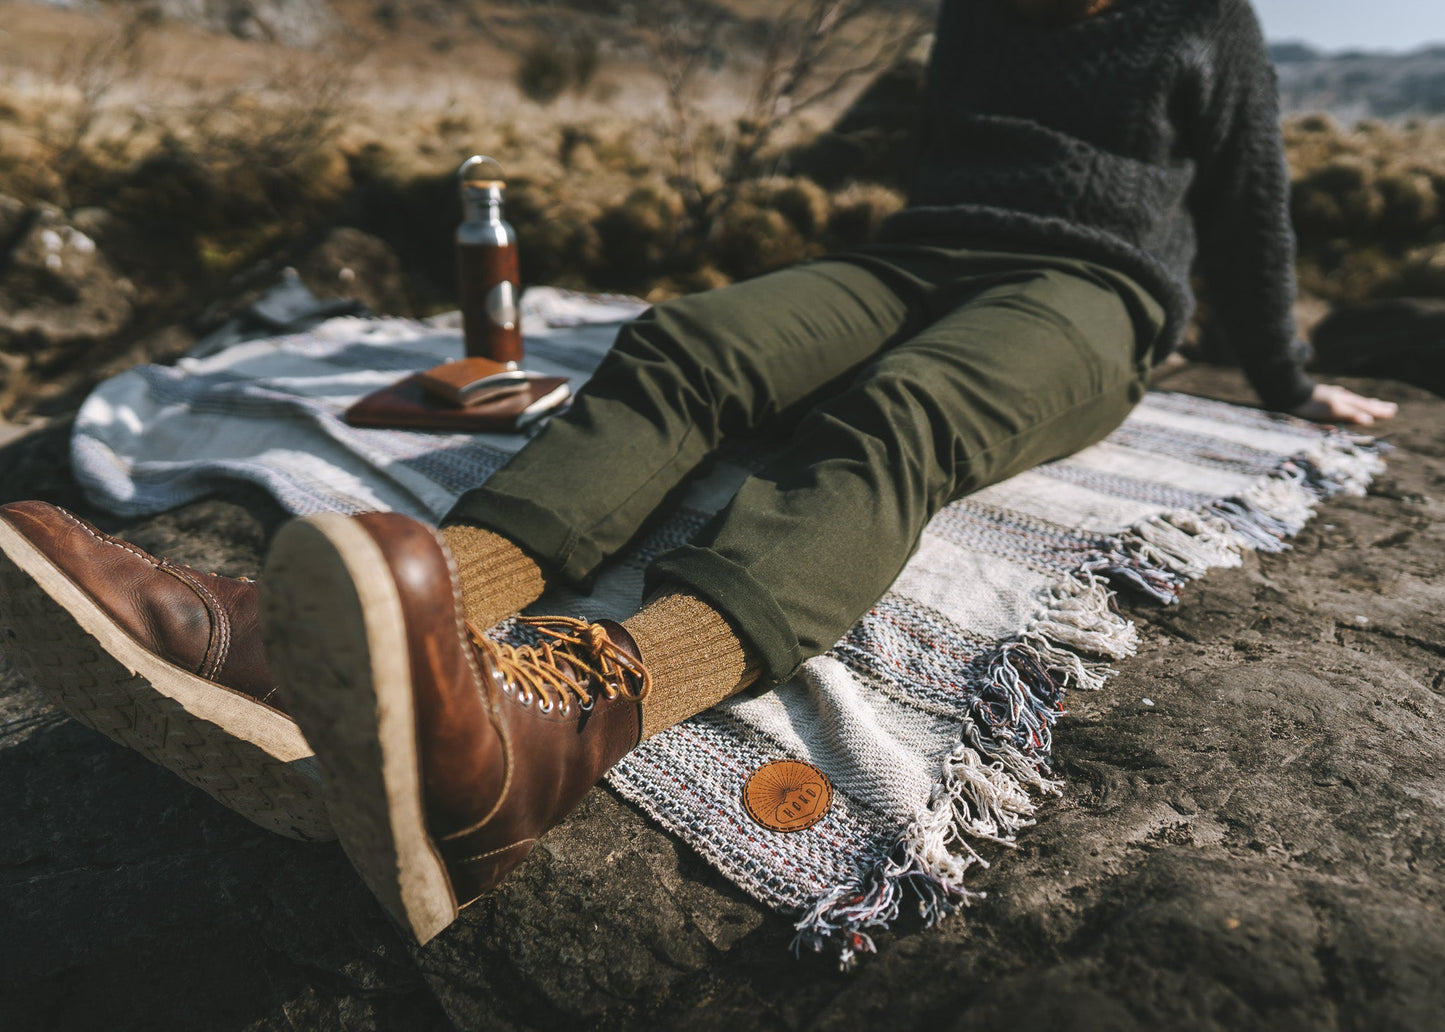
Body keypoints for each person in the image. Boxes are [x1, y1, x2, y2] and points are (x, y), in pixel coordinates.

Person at [0, 0, 1399, 944]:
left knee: (902, 416)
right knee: (693, 346)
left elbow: (1251, 207)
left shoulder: (1205, 22)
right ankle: (351, 646)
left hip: (1091, 296)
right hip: (917, 252)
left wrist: (1282, 382)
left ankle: (558, 723)